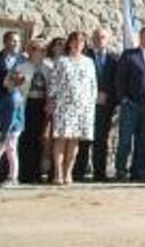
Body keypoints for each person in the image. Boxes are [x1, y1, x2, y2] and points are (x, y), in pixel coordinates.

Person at [0, 37, 35, 187]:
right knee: (2, 152)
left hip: (10, 130)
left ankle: (7, 176)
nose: (4, 82)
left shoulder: (14, 97)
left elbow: (12, 117)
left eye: (7, 80)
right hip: (11, 129)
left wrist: (4, 131)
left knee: (7, 152)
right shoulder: (14, 96)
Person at [114, 27, 145, 181]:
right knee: (125, 140)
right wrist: (123, 99)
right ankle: (121, 169)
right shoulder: (129, 55)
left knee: (144, 140)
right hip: (131, 105)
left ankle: (137, 170)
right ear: (140, 38)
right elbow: (119, 79)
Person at [49, 31, 97, 186]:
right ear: (69, 43)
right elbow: (54, 83)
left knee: (74, 141)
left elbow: (92, 84)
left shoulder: (89, 62)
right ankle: (58, 173)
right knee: (61, 140)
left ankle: (68, 172)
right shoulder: (62, 61)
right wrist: (51, 100)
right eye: (75, 41)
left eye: (82, 41)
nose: (78, 44)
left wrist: (91, 103)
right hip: (64, 105)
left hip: (82, 107)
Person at [81, 27, 118, 182]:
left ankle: (99, 172)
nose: (99, 39)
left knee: (101, 139)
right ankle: (79, 171)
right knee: (84, 139)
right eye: (96, 37)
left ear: (108, 40)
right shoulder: (84, 56)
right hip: (85, 104)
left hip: (105, 105)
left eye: (103, 37)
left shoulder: (115, 59)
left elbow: (118, 81)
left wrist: (109, 97)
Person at [18, 39, 51, 184]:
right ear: (31, 50)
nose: (43, 53)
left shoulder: (48, 68)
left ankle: (37, 172)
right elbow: (10, 84)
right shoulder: (21, 67)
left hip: (42, 105)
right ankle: (25, 173)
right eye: (39, 49)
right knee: (26, 138)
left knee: (40, 139)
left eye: (44, 50)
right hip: (26, 105)